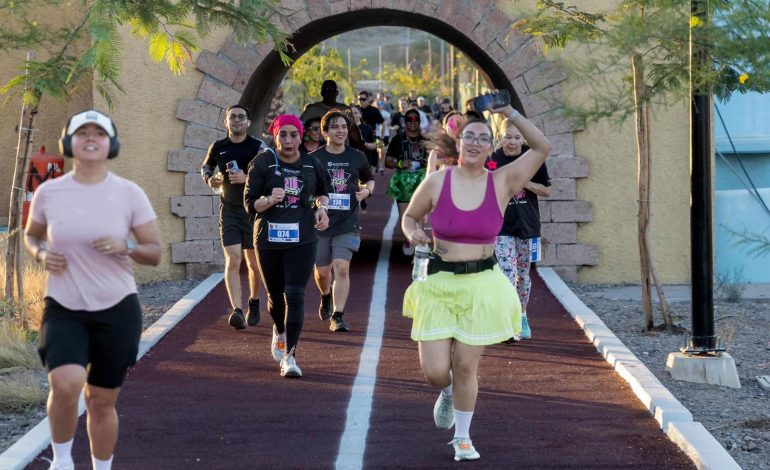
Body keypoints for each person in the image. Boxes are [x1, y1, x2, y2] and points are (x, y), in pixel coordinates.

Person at [401, 104, 551, 462]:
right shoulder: (437, 181)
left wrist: (510, 112)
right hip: (439, 283)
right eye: (469, 136)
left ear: (490, 147)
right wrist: (413, 233)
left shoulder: (502, 181)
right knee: (436, 372)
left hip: (482, 284)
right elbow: (410, 217)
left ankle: (463, 438)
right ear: (458, 142)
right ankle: (447, 392)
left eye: (483, 138)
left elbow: (542, 147)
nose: (475, 143)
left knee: (466, 365)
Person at [24, 110, 162, 470]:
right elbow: (31, 235)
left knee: (101, 400)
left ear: (110, 144)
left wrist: (125, 246)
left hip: (117, 309)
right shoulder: (49, 192)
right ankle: (62, 462)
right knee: (65, 383)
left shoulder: (129, 194)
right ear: (68, 142)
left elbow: (154, 252)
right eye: (82, 132)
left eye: (98, 133)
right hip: (64, 306)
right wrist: (41, 253)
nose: (90, 138)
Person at [244, 114, 330, 378]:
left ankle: (290, 356)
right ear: (275, 136)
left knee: (295, 294)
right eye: (283, 134)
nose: (288, 140)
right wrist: (269, 199)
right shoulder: (263, 162)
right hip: (268, 239)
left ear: (300, 136)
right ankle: (279, 330)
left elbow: (323, 192)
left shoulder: (312, 163)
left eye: (293, 135)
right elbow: (249, 204)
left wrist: (322, 208)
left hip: (302, 238)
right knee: (275, 296)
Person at [201, 104, 265, 330]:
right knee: (233, 258)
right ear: (226, 122)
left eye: (241, 117)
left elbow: (270, 175)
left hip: (253, 210)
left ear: (248, 122)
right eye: (233, 117)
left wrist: (247, 178)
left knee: (254, 263)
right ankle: (237, 310)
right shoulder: (218, 147)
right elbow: (205, 167)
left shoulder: (258, 147)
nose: (236, 120)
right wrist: (210, 179)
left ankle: (254, 301)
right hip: (229, 210)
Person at [487, 118, 551, 340]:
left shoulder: (532, 159)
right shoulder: (493, 159)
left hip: (528, 226)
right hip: (501, 226)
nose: (512, 142)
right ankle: (506, 320)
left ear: (523, 139)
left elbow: (547, 190)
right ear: (500, 137)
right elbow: (484, 184)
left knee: (523, 276)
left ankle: (522, 315)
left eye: (516, 138)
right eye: (508, 137)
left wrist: (522, 182)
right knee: (507, 273)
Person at [312, 110, 374, 332]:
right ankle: (325, 294)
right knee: (322, 272)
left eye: (344, 127)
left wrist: (367, 191)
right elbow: (308, 189)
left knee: (342, 267)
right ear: (325, 132)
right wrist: (318, 206)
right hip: (321, 223)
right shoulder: (314, 158)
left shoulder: (357, 157)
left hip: (348, 222)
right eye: (335, 127)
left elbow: (369, 180)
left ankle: (337, 315)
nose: (340, 131)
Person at [385, 108, 428, 255]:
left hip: (422, 181)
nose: (412, 122)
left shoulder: (426, 140)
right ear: (405, 122)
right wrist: (400, 164)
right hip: (403, 182)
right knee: (405, 215)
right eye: (409, 119)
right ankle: (408, 239)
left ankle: (420, 243)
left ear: (419, 122)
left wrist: (427, 162)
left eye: (415, 119)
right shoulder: (397, 139)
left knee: (420, 214)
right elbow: (387, 161)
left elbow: (435, 159)